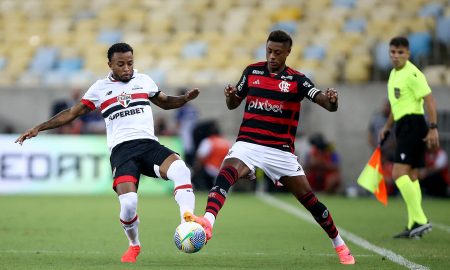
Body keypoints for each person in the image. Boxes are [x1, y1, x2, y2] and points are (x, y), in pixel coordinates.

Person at [15, 43, 199, 263]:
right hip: (122, 151)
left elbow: (166, 102)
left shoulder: (144, 81)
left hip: (149, 145)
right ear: (110, 64)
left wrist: (184, 99)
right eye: (120, 64)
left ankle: (188, 221)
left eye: (130, 63)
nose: (126, 68)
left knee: (181, 170)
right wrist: (39, 127)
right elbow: (72, 113)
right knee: (128, 204)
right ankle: (134, 244)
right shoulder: (99, 89)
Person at [184, 30, 355, 265]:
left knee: (310, 201)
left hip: (280, 151)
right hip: (248, 143)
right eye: (269, 51)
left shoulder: (298, 80)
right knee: (226, 173)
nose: (272, 56)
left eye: (277, 52)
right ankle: (208, 223)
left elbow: (324, 102)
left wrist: (332, 101)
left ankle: (339, 244)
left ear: (287, 53)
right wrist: (231, 96)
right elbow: (234, 104)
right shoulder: (252, 72)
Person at [379, 36, 439, 239]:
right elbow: (396, 106)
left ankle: (421, 220)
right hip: (403, 125)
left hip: (414, 125)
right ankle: (414, 224)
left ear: (408, 54)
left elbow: (429, 100)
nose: (396, 56)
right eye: (393, 52)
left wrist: (433, 127)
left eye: (400, 52)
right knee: (412, 177)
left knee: (398, 174)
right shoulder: (393, 74)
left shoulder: (412, 73)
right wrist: (387, 127)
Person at [193, 121, 231, 190]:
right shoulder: (226, 142)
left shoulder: (208, 141)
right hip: (224, 169)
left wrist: (196, 169)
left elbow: (201, 157)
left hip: (211, 169)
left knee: (200, 169)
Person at [175, 88, 199, 168]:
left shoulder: (181, 109)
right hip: (194, 135)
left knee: (185, 154)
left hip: (185, 136)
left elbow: (178, 124)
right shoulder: (193, 108)